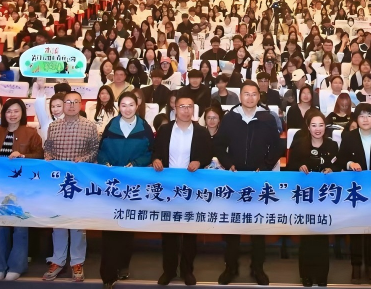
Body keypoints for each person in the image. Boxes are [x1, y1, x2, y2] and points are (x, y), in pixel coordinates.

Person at [213, 81, 283, 285]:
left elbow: (278, 146)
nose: (250, 97)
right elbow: (219, 145)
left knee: (258, 227)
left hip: (258, 179)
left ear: (259, 97)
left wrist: (265, 165)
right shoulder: (230, 118)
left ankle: (257, 268)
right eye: (246, 94)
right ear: (240, 95)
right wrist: (229, 164)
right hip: (235, 179)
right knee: (233, 227)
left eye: (254, 94)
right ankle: (231, 267)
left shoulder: (267, 118)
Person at [0, 99, 43, 281]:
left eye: (16, 111)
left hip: (22, 186)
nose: (12, 115)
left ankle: (17, 266)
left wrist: (23, 155)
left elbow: (40, 155)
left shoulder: (31, 132)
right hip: (0, 185)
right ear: (4, 114)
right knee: (0, 226)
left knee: (20, 227)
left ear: (22, 113)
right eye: (9, 111)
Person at [152, 95, 213, 286]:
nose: (186, 110)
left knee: (189, 232)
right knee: (168, 232)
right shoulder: (165, 130)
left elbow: (208, 154)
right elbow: (156, 151)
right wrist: (156, 160)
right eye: (182, 106)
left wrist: (199, 162)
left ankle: (187, 270)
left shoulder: (201, 132)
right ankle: (169, 270)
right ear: (175, 109)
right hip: (168, 188)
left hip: (191, 187)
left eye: (189, 107)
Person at [43, 91, 101, 282]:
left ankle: (77, 262)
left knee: (77, 224)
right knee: (58, 223)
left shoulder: (89, 126)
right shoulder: (53, 126)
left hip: (79, 182)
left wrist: (83, 159)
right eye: (68, 102)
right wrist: (48, 156)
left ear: (81, 104)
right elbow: (48, 148)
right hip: (58, 182)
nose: (71, 105)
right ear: (63, 104)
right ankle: (58, 260)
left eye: (75, 102)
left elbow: (95, 150)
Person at [98, 92, 154, 285]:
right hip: (112, 183)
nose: (127, 109)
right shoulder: (111, 126)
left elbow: (150, 152)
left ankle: (123, 265)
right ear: (118, 107)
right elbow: (101, 150)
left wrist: (136, 163)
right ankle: (107, 274)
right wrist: (105, 163)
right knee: (109, 227)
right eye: (123, 105)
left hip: (132, 183)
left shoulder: (144, 127)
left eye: (131, 105)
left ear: (137, 106)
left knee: (127, 226)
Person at [337, 103, 371, 285]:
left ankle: (370, 267)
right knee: (356, 230)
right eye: (361, 116)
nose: (365, 119)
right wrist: (349, 164)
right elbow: (341, 160)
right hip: (356, 190)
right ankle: (355, 266)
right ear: (356, 119)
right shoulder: (349, 137)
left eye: (369, 115)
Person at [287, 109, 339, 287]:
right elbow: (290, 167)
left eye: (321, 125)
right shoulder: (299, 144)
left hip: (325, 198)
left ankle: (322, 275)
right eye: (314, 125)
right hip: (305, 198)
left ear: (325, 127)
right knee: (307, 238)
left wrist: (333, 170)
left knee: (322, 238)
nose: (318, 129)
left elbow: (339, 166)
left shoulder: (332, 145)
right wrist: (299, 167)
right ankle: (306, 275)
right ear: (308, 127)